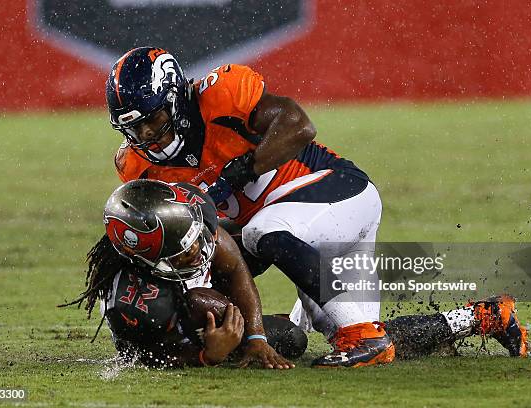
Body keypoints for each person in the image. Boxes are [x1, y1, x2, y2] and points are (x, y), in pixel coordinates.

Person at [106, 47, 390, 367]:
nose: (146, 135)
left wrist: (243, 171)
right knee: (210, 267)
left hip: (341, 196)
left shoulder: (221, 95)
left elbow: (298, 125)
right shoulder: (138, 166)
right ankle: (447, 324)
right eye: (134, 128)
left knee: (262, 231)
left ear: (175, 98)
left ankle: (364, 334)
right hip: (302, 237)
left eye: (153, 120)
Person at [64, 179, 301, 368]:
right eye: (184, 252)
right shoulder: (133, 300)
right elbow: (147, 357)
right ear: (148, 261)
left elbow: (235, 269)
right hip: (172, 331)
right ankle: (229, 327)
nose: (198, 249)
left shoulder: (194, 216)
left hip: (193, 291)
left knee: (262, 237)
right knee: (292, 338)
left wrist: (256, 337)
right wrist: (207, 355)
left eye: (196, 239)